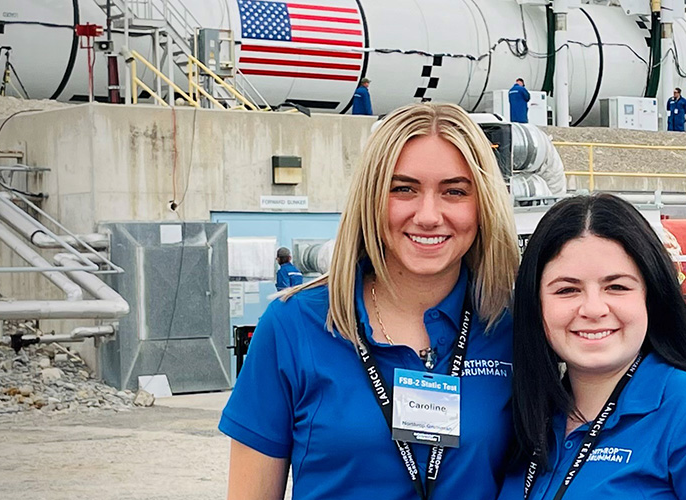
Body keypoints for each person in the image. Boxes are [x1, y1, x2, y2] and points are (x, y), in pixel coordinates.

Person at [222, 102, 521, 500]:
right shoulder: (294, 325)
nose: (428, 215)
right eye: (403, 189)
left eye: (454, 191)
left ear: (483, 204)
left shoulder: (513, 327)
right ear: (371, 198)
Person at [499, 194, 686, 500]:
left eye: (616, 287)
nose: (593, 309)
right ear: (535, 304)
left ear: (651, 296)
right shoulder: (531, 419)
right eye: (567, 290)